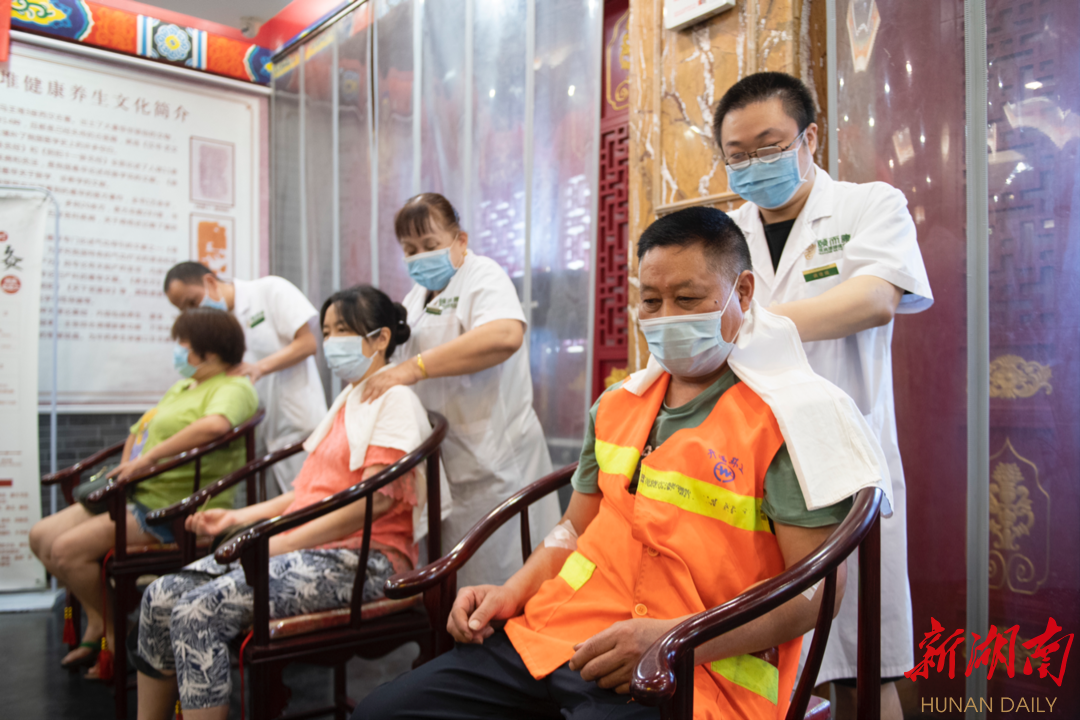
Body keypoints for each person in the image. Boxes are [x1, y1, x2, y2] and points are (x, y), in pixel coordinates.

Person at [353, 207, 889, 720]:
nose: (665, 317)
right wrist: (511, 591)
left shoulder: (788, 421)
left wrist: (675, 638)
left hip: (696, 670)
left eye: (687, 298)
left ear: (743, 292)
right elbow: (572, 530)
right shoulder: (617, 406)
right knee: (383, 712)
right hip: (559, 634)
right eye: (651, 301)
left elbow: (814, 595)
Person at [713, 71, 933, 719]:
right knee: (759, 665)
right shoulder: (722, 234)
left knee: (863, 669)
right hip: (744, 467)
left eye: (770, 145)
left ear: (810, 138)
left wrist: (751, 324)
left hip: (843, 463)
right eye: (737, 154)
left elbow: (874, 299)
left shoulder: (870, 205)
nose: (754, 163)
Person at [134, 285, 448, 720]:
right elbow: (309, 493)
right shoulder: (349, 399)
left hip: (367, 561)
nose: (331, 341)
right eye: (327, 331)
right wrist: (239, 516)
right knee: (159, 595)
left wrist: (280, 541)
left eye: (343, 330)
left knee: (196, 610)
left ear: (380, 338)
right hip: (315, 550)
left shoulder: (394, 400)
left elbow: (373, 503)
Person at [28, 308, 259, 673]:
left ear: (210, 350)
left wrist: (148, 459)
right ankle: (99, 620)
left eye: (184, 344)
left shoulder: (235, 388)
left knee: (66, 551)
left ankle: (112, 634)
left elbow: (214, 426)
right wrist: (128, 467)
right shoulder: (184, 386)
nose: (178, 350)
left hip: (173, 507)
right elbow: (141, 427)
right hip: (136, 492)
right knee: (41, 536)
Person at [361, 193, 561, 587]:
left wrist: (414, 368)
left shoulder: (482, 275)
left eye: (430, 244)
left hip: (496, 460)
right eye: (410, 250)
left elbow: (504, 335)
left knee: (508, 579)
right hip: (449, 462)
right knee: (458, 581)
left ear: (461, 240)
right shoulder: (416, 298)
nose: (420, 257)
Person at [164, 262, 328, 494]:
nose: (193, 311)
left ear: (210, 281)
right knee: (273, 504)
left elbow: (308, 344)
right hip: (257, 432)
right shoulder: (215, 327)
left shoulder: (269, 290)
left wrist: (259, 367)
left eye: (192, 302)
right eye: (185, 310)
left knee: (310, 500)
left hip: (296, 422)